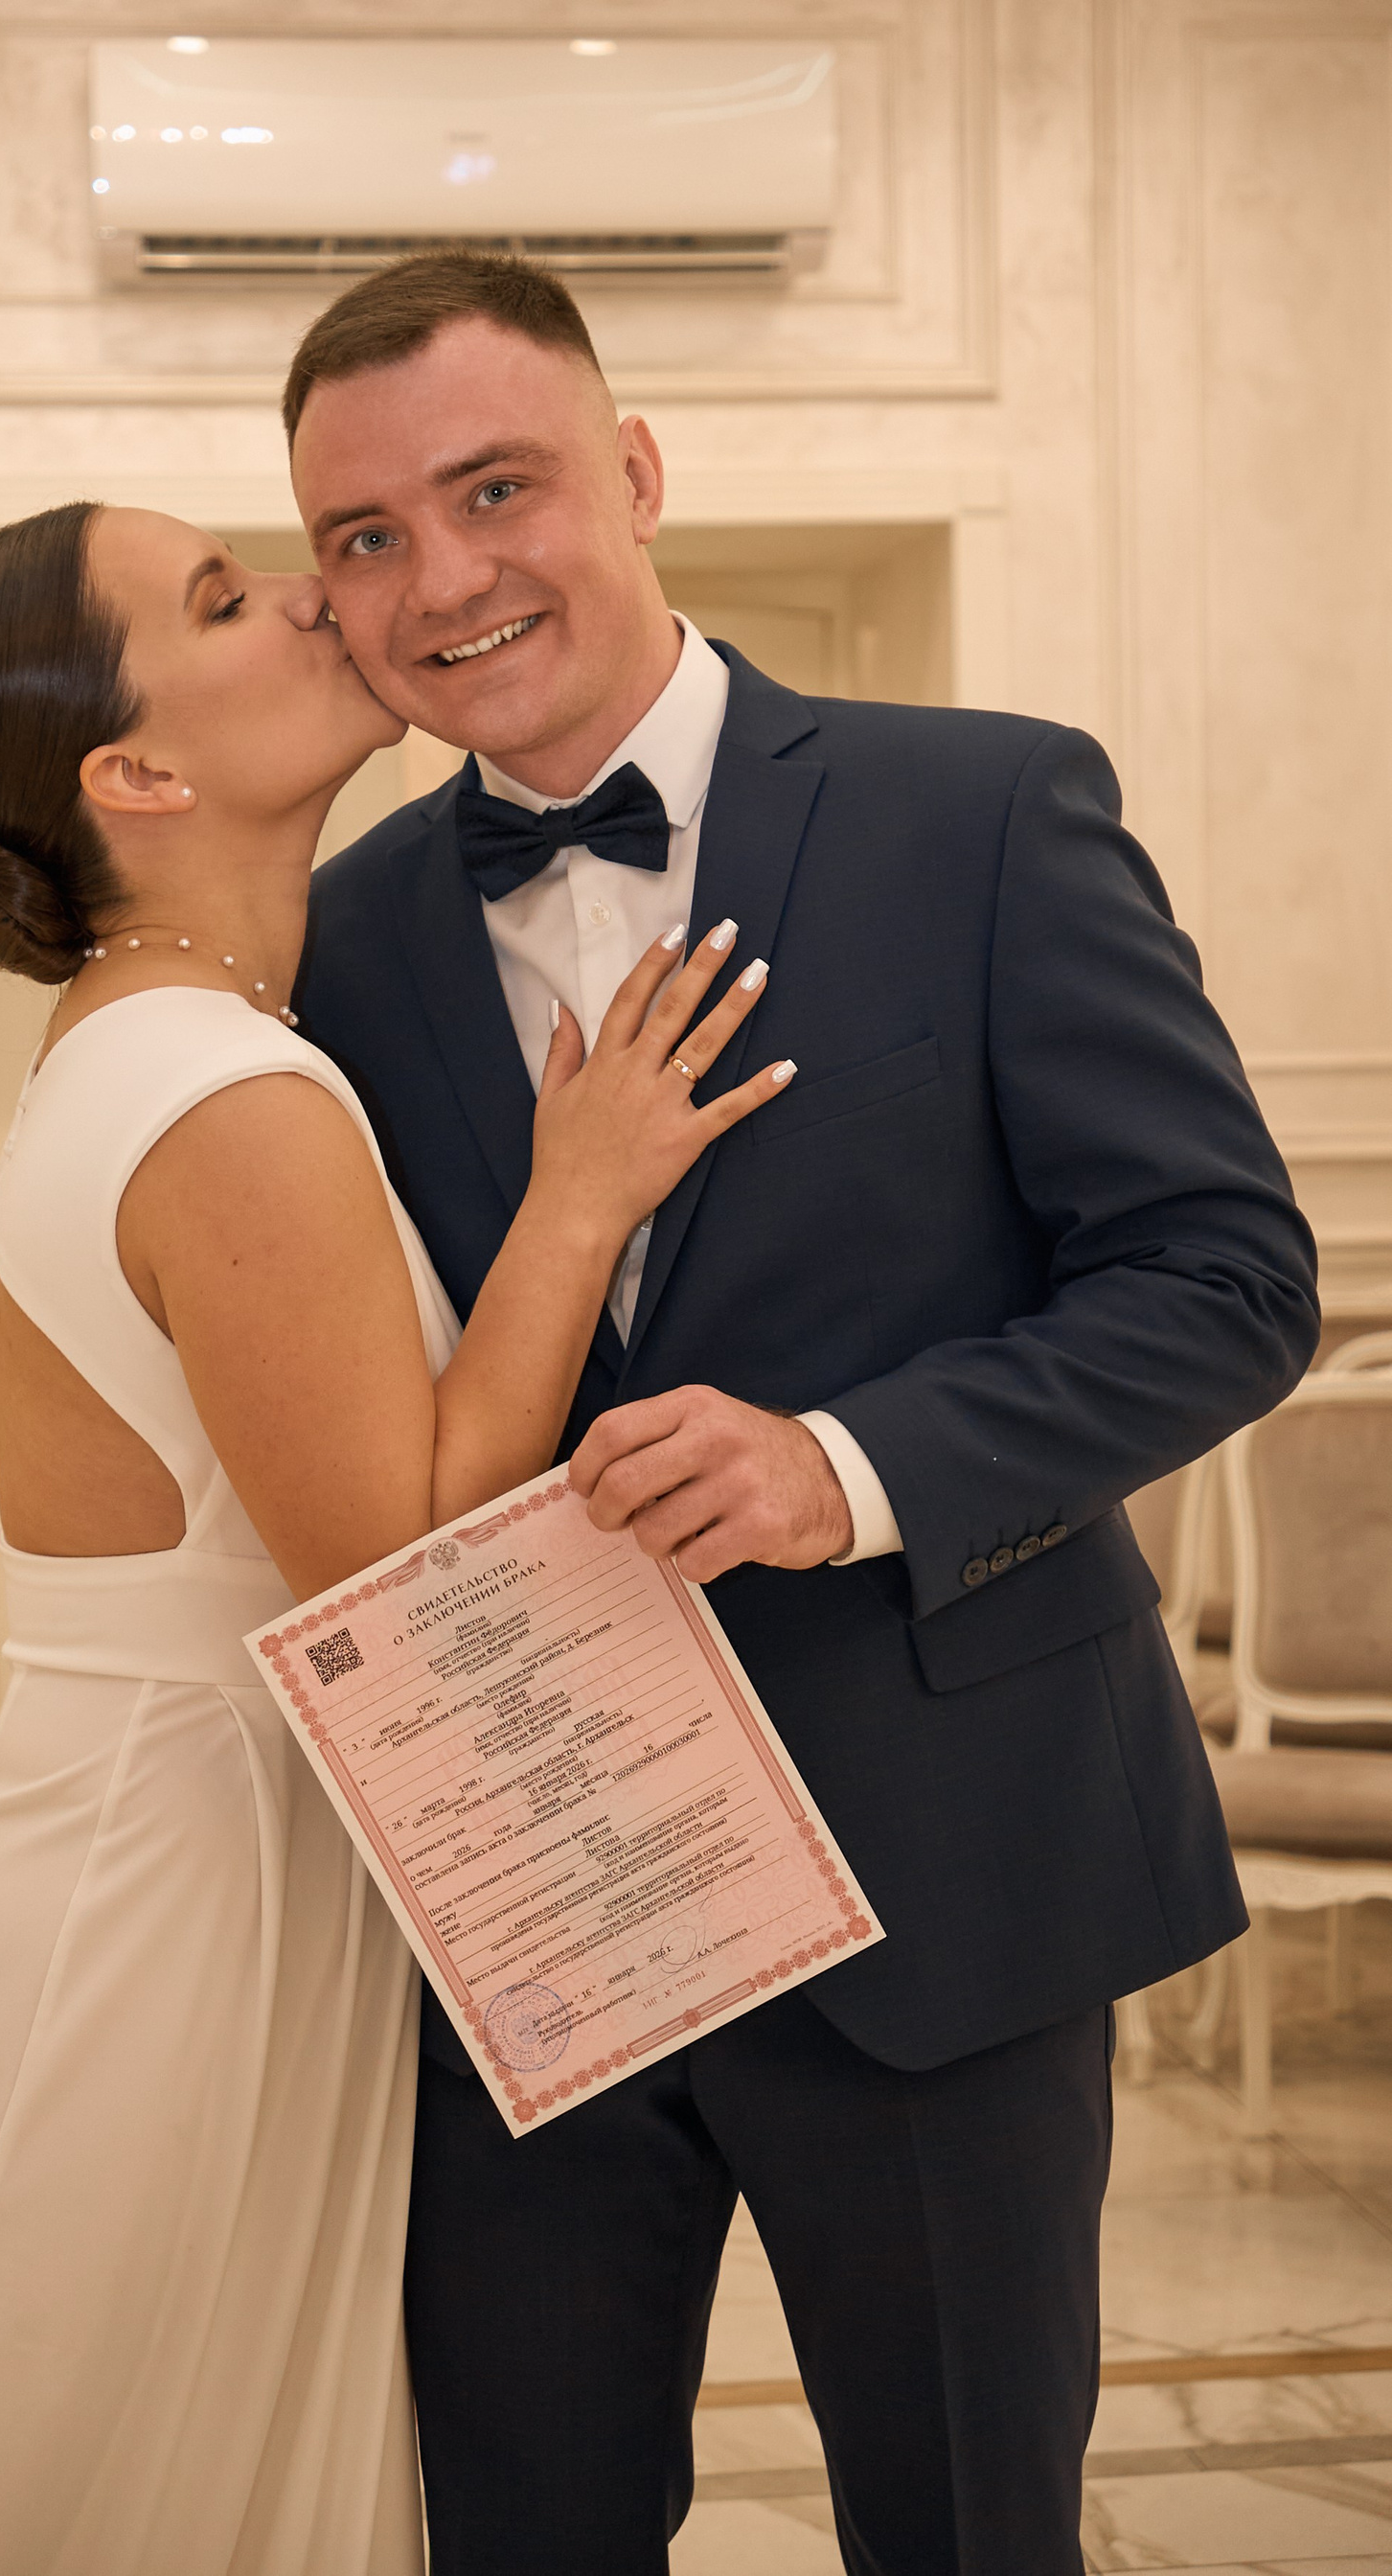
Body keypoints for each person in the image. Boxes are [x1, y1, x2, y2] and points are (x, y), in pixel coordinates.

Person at [0, 502, 790, 2575]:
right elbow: (403, 1570)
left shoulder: (175, 1043)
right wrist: (579, 1203)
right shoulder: (226, 1093)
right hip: (143, 1946)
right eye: (222, 598)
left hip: (183, 1888)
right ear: (132, 772)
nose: (309, 590)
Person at [286, 251, 1322, 2576]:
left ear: (638, 475)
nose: (440, 578)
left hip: (949, 1875)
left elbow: (1228, 1282)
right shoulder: (332, 943)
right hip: (528, 1910)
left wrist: (843, 1472)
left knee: (963, 2530)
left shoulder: (986, 809)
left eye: (496, 489)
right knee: (522, 2532)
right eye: (366, 535)